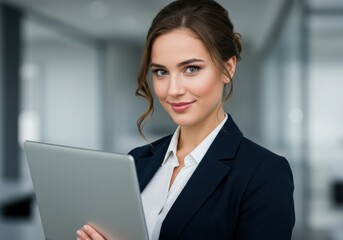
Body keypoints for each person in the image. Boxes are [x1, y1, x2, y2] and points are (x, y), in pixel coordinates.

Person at [76, 0, 295, 239]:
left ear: (227, 68)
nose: (173, 90)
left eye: (191, 69)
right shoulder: (138, 160)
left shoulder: (264, 173)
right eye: (161, 72)